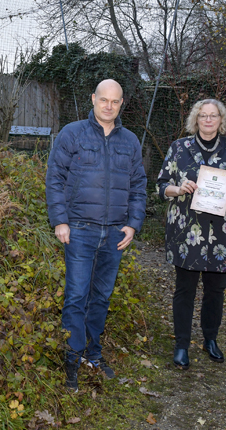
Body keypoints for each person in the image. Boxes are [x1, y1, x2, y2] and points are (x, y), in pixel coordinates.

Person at [45, 79, 147, 392]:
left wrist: (133, 223)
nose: (108, 106)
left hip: (115, 234)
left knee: (101, 297)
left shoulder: (129, 141)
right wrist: (60, 220)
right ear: (93, 99)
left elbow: (139, 186)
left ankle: (93, 354)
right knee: (76, 297)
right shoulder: (72, 133)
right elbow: (55, 178)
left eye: (115, 101)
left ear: (121, 104)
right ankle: (72, 361)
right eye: (103, 99)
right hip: (79, 231)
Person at [157, 99, 226, 369]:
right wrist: (177, 189)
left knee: (216, 290)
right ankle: (181, 344)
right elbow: (161, 184)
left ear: (221, 120)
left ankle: (210, 339)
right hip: (187, 232)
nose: (208, 120)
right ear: (195, 119)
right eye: (203, 116)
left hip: (222, 234)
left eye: (213, 116)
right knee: (184, 290)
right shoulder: (179, 148)